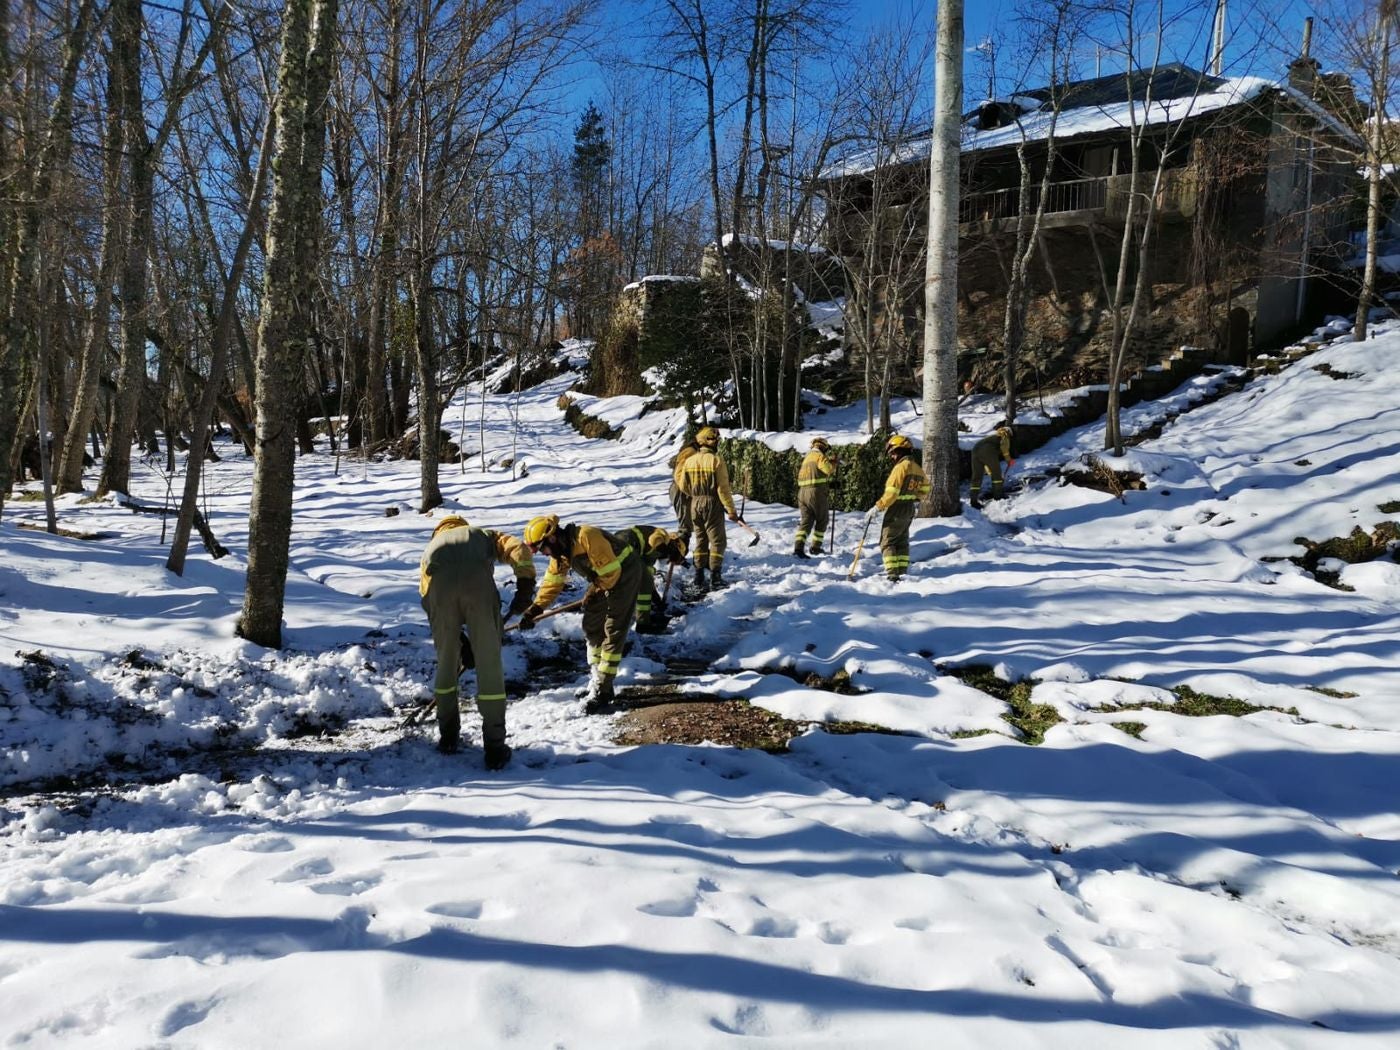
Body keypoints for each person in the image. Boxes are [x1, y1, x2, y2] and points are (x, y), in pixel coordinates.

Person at [419, 515, 536, 766]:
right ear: (463, 524)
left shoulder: (432, 547)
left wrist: (457, 640)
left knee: (446, 663)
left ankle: (448, 737)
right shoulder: (482, 534)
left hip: (440, 591)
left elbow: (426, 598)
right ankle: (495, 747)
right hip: (479, 590)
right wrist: (525, 582)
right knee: (488, 664)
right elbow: (517, 548)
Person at [516, 514, 645, 712]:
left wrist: (594, 590)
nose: (542, 553)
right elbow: (552, 582)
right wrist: (535, 609)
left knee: (613, 628)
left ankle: (603, 690)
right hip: (602, 580)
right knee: (592, 625)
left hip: (625, 573)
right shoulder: (561, 552)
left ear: (551, 538)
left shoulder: (587, 536)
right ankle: (596, 679)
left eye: (541, 548)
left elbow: (612, 572)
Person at [677, 425, 738, 591]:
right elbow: (723, 488)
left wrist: (696, 494)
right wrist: (731, 509)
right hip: (712, 503)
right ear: (710, 442)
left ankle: (698, 576)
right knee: (718, 540)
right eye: (716, 440)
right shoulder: (716, 460)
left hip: (694, 503)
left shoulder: (689, 461)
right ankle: (715, 578)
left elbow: (682, 485)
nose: (717, 442)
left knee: (701, 539)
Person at [865, 434, 931, 582]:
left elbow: (891, 493)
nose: (892, 456)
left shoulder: (900, 468)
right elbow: (926, 488)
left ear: (900, 450)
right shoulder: (916, 468)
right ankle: (902, 571)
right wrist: (915, 498)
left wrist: (877, 507)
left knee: (887, 541)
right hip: (909, 509)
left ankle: (892, 573)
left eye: (893, 453)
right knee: (901, 540)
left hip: (896, 508)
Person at [622, 525, 689, 632]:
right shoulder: (663, 536)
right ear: (674, 546)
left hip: (622, 547)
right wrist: (665, 548)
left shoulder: (650, 554)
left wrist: (655, 596)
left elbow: (646, 575)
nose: (666, 559)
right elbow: (655, 540)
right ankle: (643, 624)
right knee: (641, 586)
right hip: (626, 545)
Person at [793, 437, 836, 558]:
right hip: (815, 493)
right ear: (823, 447)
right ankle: (816, 547)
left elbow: (814, 476)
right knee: (822, 519)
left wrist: (828, 485)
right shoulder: (819, 456)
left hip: (802, 493)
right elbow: (827, 469)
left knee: (806, 521)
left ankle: (798, 548)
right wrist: (833, 463)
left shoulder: (806, 458)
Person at [970, 423, 1015, 508]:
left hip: (975, 450)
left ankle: (973, 501)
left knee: (977, 477)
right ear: (1009, 432)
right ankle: (998, 496)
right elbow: (1004, 448)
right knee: (997, 475)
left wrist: (990, 472)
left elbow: (986, 461)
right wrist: (1009, 460)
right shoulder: (1004, 435)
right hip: (988, 451)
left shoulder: (990, 438)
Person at [669, 437, 699, 552]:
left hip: (685, 492)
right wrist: (691, 491)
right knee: (685, 527)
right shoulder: (690, 452)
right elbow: (679, 475)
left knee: (696, 524)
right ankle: (677, 554)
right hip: (681, 492)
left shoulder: (695, 453)